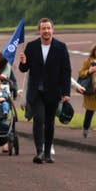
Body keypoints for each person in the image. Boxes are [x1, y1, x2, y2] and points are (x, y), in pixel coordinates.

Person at [18, 18, 71, 164]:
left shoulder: (61, 47)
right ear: (39, 30)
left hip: (53, 92)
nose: (46, 31)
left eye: (48, 28)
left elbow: (66, 71)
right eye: (43, 28)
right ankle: (39, 152)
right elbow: (24, 69)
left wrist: (66, 93)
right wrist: (22, 63)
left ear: (53, 30)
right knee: (39, 119)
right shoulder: (31, 46)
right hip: (36, 92)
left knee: (49, 122)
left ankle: (48, 153)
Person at [77, 45, 96, 138]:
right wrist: (89, 71)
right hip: (91, 92)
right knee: (89, 112)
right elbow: (81, 73)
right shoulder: (88, 61)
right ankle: (85, 129)